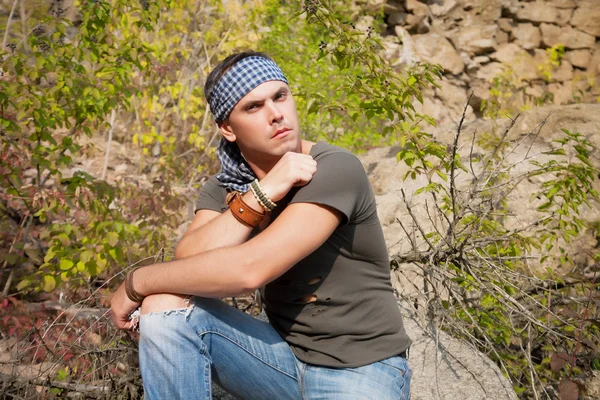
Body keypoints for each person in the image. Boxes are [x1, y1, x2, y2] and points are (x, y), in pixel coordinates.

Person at [110, 51, 412, 399]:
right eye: (253, 107)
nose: (276, 114)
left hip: (363, 372)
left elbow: (250, 271)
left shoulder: (333, 168)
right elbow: (190, 259)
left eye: (280, 96)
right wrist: (262, 192)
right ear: (227, 128)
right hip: (278, 364)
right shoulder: (228, 187)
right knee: (164, 306)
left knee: (155, 289)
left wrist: (137, 282)